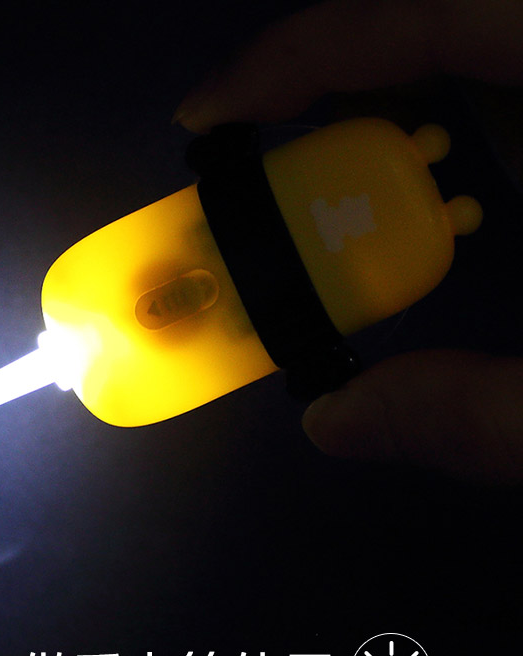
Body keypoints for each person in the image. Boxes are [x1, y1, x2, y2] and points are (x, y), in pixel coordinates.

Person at [174, 0, 523, 484]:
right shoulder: (421, 243)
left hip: (283, 282)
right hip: (282, 288)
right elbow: (317, 368)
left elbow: (319, 366)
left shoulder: (420, 248)